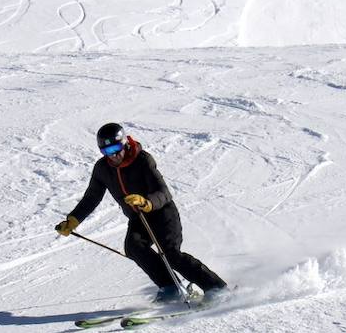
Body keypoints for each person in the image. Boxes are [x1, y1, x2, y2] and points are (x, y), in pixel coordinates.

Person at [55, 123, 228, 303]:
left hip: (162, 212)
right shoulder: (102, 169)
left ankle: (216, 288)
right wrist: (73, 220)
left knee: (171, 254)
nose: (113, 155)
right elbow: (91, 197)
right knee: (134, 247)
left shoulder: (142, 160)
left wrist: (146, 202)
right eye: (107, 151)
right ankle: (171, 288)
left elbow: (164, 193)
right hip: (138, 218)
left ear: (124, 143)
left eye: (116, 148)